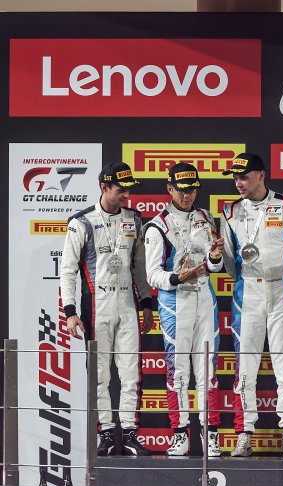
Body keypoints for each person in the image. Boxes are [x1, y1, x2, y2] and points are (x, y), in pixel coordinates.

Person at [220, 153, 283, 458]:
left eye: (244, 177)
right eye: (235, 178)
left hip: (282, 291)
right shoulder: (230, 211)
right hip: (248, 293)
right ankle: (244, 433)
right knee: (245, 366)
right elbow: (230, 261)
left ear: (261, 175)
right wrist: (247, 282)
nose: (238, 183)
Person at [61, 161, 154, 456]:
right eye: (121, 189)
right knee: (100, 375)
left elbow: (139, 267)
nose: (126, 195)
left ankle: (129, 433)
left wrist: (146, 304)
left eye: (129, 189)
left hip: (127, 304)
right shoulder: (81, 222)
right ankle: (106, 435)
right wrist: (70, 311)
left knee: (130, 373)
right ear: (104, 187)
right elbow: (67, 270)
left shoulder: (134, 219)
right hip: (96, 305)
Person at [143, 163, 225, 457]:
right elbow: (152, 275)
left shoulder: (206, 218)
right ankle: (180, 434)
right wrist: (179, 278)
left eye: (191, 189)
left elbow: (215, 266)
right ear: (170, 189)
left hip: (205, 297)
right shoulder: (157, 226)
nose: (187, 195)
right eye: (181, 190)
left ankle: (210, 434)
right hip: (175, 301)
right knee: (177, 371)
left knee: (208, 369)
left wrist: (215, 257)